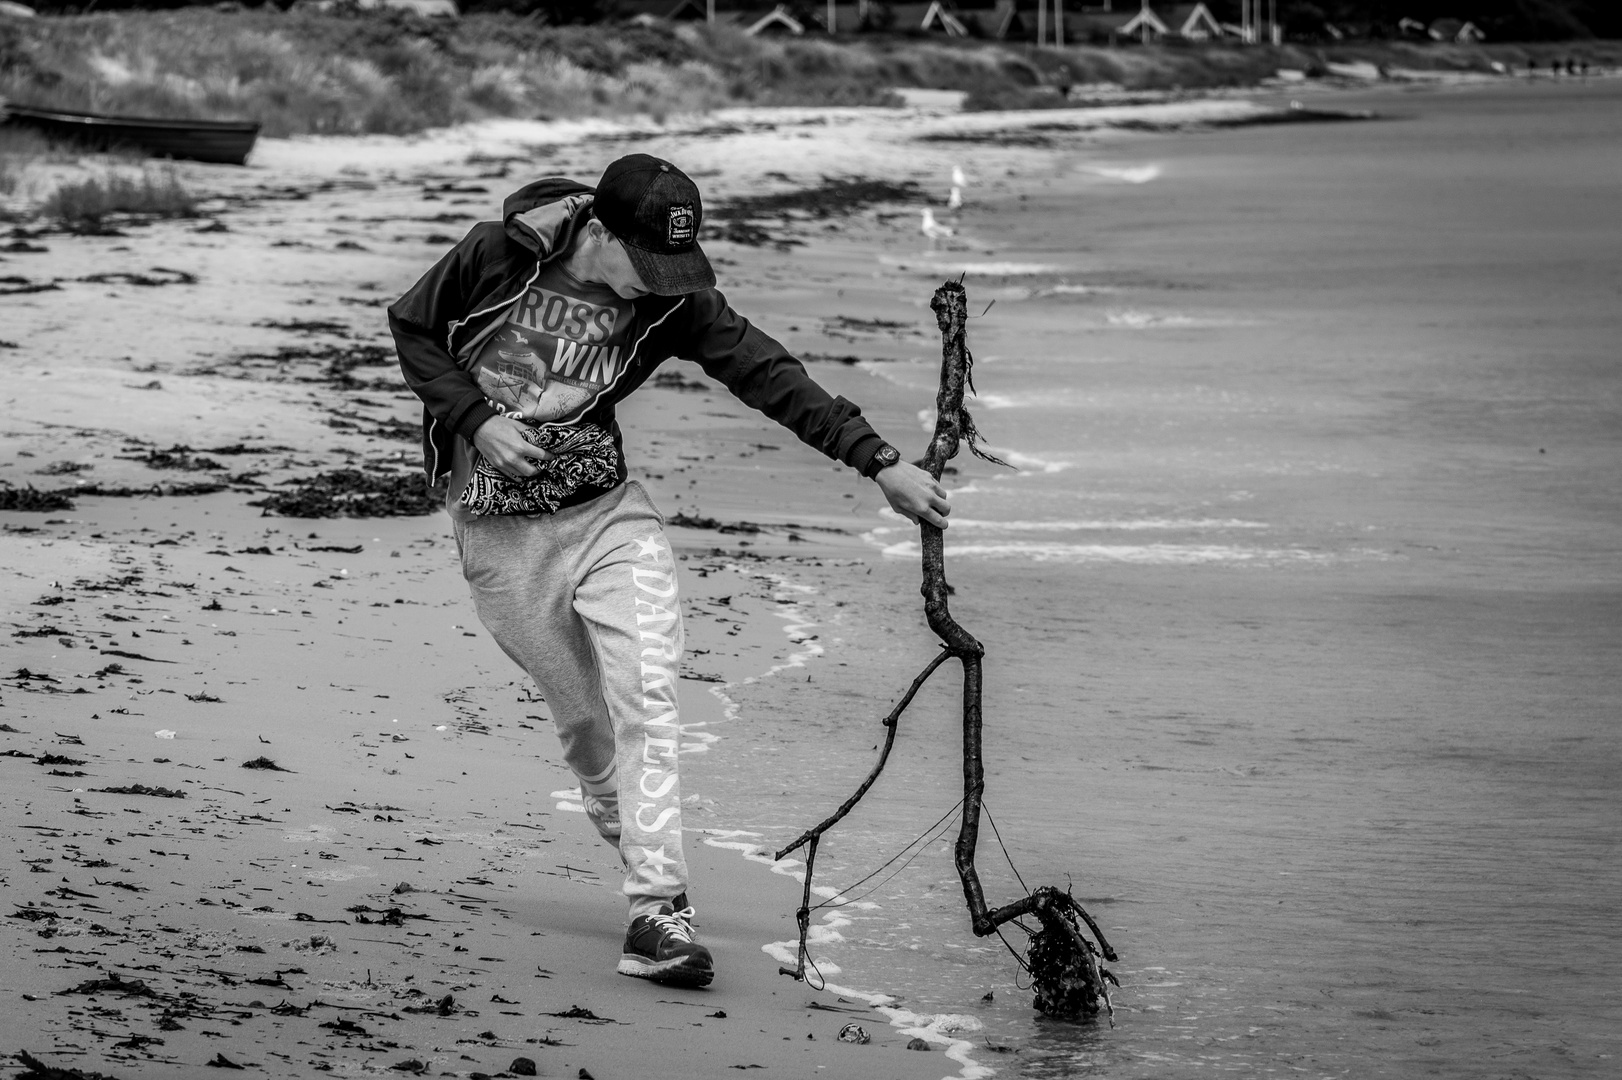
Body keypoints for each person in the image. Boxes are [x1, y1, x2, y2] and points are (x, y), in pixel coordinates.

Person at [388, 154, 950, 987]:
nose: (658, 286)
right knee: (589, 729)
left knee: (648, 698)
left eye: (672, 270)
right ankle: (633, 837)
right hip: (498, 534)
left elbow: (766, 370)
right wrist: (476, 419)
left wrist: (879, 462)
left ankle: (659, 914)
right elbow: (413, 327)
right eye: (645, 265)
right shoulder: (499, 253)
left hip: (610, 517)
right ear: (600, 234)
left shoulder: (673, 300)